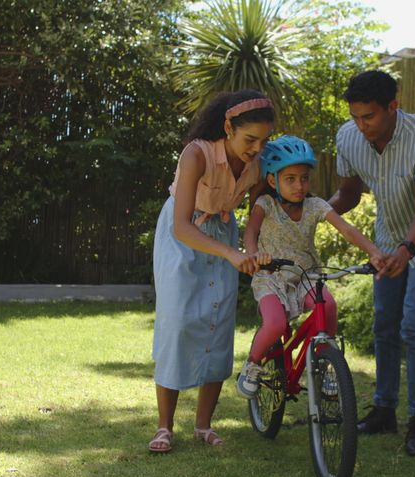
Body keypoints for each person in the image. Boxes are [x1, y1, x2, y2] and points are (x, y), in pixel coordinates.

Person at [329, 70, 415, 456]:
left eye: (368, 116)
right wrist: (313, 214)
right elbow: (349, 194)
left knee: (413, 325)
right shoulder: (349, 137)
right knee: (384, 324)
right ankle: (384, 409)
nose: (360, 125)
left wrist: (408, 250)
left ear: (392, 107)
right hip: (387, 238)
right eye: (354, 116)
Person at [149, 90, 275, 453]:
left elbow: (256, 215)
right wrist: (232, 255)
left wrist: (251, 253)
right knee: (178, 323)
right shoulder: (197, 153)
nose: (256, 148)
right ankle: (164, 427)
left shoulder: (258, 162)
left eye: (263, 140)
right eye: (249, 139)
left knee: (217, 323)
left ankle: (204, 425)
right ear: (227, 127)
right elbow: (181, 226)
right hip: (183, 235)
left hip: (224, 233)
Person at [235, 136, 386, 398]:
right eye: (290, 179)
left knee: (328, 305)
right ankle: (252, 365)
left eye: (304, 178)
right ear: (273, 181)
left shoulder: (315, 205)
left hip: (306, 274)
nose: (299, 185)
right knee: (274, 324)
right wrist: (254, 254)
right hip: (270, 275)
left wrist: (373, 252)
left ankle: (322, 363)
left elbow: (346, 229)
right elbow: (251, 231)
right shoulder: (266, 204)